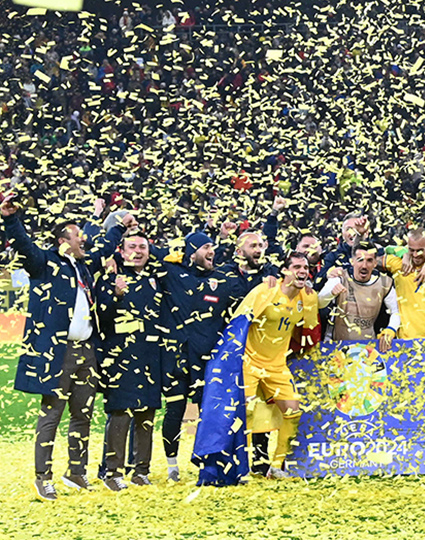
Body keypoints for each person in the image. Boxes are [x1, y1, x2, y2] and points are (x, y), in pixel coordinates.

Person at [2, 194, 129, 501]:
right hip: (57, 352)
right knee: (52, 415)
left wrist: (119, 227)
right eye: (77, 235)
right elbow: (23, 245)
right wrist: (9, 218)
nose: (83, 239)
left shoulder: (82, 266)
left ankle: (76, 472)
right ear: (62, 241)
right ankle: (43, 477)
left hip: (86, 350)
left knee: (82, 414)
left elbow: (104, 249)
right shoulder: (44, 262)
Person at [158, 230, 248, 480]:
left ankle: (208, 465)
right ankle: (172, 465)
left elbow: (247, 298)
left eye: (212, 246)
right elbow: (144, 255)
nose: (212, 251)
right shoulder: (172, 273)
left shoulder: (223, 280)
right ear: (191, 252)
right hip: (176, 359)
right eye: (206, 247)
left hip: (207, 361)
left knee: (208, 414)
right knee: (174, 411)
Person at [237, 255, 320, 479]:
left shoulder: (308, 297)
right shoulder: (266, 290)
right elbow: (238, 323)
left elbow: (308, 331)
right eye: (296, 267)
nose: (302, 271)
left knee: (293, 411)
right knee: (246, 412)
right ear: (284, 270)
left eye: (305, 267)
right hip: (250, 361)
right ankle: (241, 467)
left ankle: (276, 466)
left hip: (277, 364)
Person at [95, 231, 166, 490]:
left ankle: (141, 470)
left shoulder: (155, 278)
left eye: (143, 247)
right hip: (120, 356)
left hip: (150, 355)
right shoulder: (109, 278)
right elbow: (102, 317)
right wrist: (117, 295)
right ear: (122, 251)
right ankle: (112, 471)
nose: (138, 251)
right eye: (132, 247)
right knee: (121, 413)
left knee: (147, 412)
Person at [319, 244, 399, 349]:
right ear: (352, 261)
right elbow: (319, 303)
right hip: (336, 344)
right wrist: (330, 294)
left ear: (375, 263)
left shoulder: (384, 282)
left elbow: (395, 311)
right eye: (360, 260)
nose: (364, 266)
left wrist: (391, 329)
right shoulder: (339, 277)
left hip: (367, 346)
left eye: (369, 260)